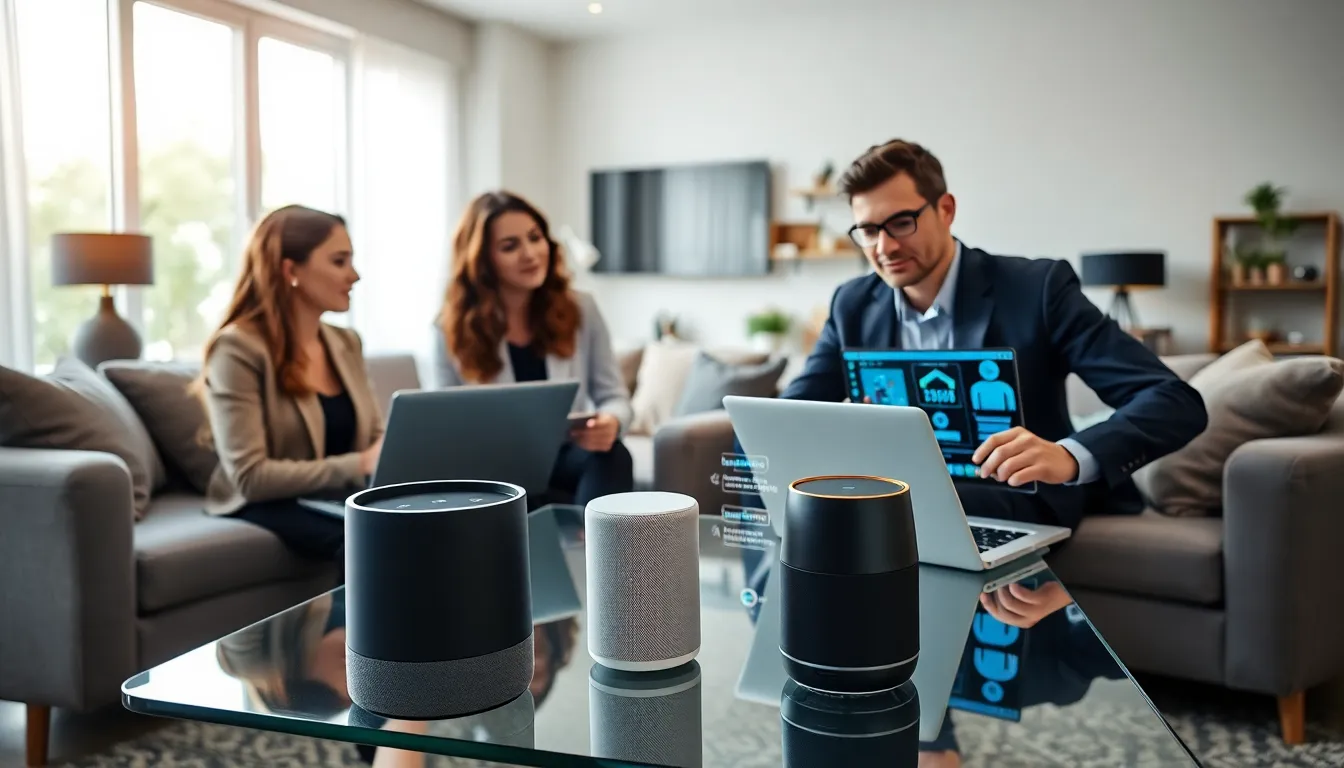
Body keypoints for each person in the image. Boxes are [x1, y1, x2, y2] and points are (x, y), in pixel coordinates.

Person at [778, 139, 1206, 533]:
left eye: (901, 222)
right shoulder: (852, 303)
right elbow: (784, 419)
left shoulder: (1037, 288)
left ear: (946, 209)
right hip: (895, 496)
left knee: (900, 514)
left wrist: (1068, 455)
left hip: (1012, 495)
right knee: (798, 498)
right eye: (868, 231)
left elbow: (1174, 401)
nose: (884, 248)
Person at [200, 205, 382, 567]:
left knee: (432, 519)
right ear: (291, 270)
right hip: (267, 501)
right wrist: (358, 463)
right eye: (339, 261)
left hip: (337, 494)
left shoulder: (346, 343)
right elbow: (251, 477)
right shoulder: (237, 348)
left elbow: (374, 436)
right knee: (372, 541)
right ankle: (341, 626)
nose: (355, 275)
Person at [434, 191, 634, 507]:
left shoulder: (581, 309)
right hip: (494, 466)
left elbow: (614, 396)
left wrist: (611, 422)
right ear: (482, 260)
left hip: (567, 453)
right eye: (509, 246)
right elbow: (446, 424)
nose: (530, 253)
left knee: (613, 454)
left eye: (535, 238)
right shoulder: (450, 329)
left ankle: (598, 550)